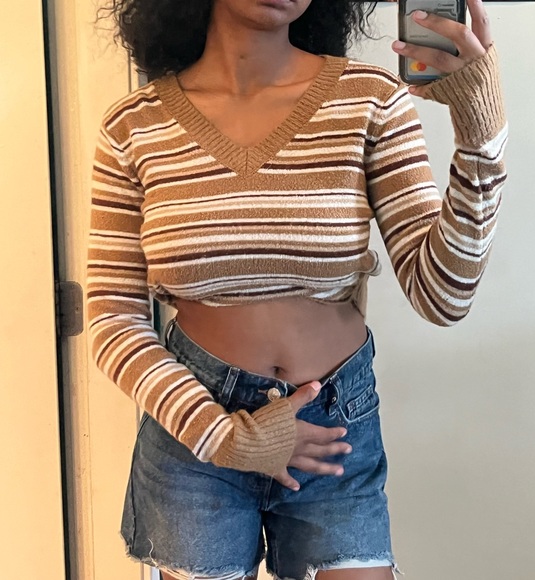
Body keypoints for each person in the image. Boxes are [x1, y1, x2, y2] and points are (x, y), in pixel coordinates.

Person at [88, 0, 507, 578]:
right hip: (197, 433)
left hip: (333, 429)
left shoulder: (369, 99)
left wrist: (481, 135)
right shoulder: (133, 126)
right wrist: (225, 436)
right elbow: (112, 318)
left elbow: (444, 296)